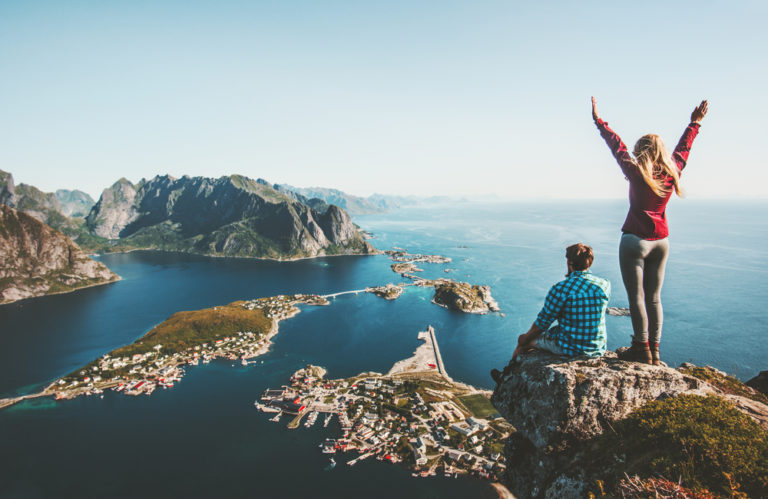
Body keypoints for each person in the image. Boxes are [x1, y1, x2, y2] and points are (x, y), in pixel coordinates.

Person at [591, 96, 708, 365]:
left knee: (637, 298)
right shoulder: (673, 172)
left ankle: (640, 348)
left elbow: (615, 145)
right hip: (661, 241)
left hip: (635, 240)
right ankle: (655, 350)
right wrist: (695, 123)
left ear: (641, 150)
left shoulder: (635, 171)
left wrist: (599, 121)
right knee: (655, 298)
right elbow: (684, 148)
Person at [491, 243, 610, 383]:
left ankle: (505, 377)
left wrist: (525, 337)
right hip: (596, 347)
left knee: (524, 343)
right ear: (590, 262)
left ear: (569, 262)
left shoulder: (561, 289)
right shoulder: (604, 284)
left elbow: (543, 323)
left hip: (570, 346)